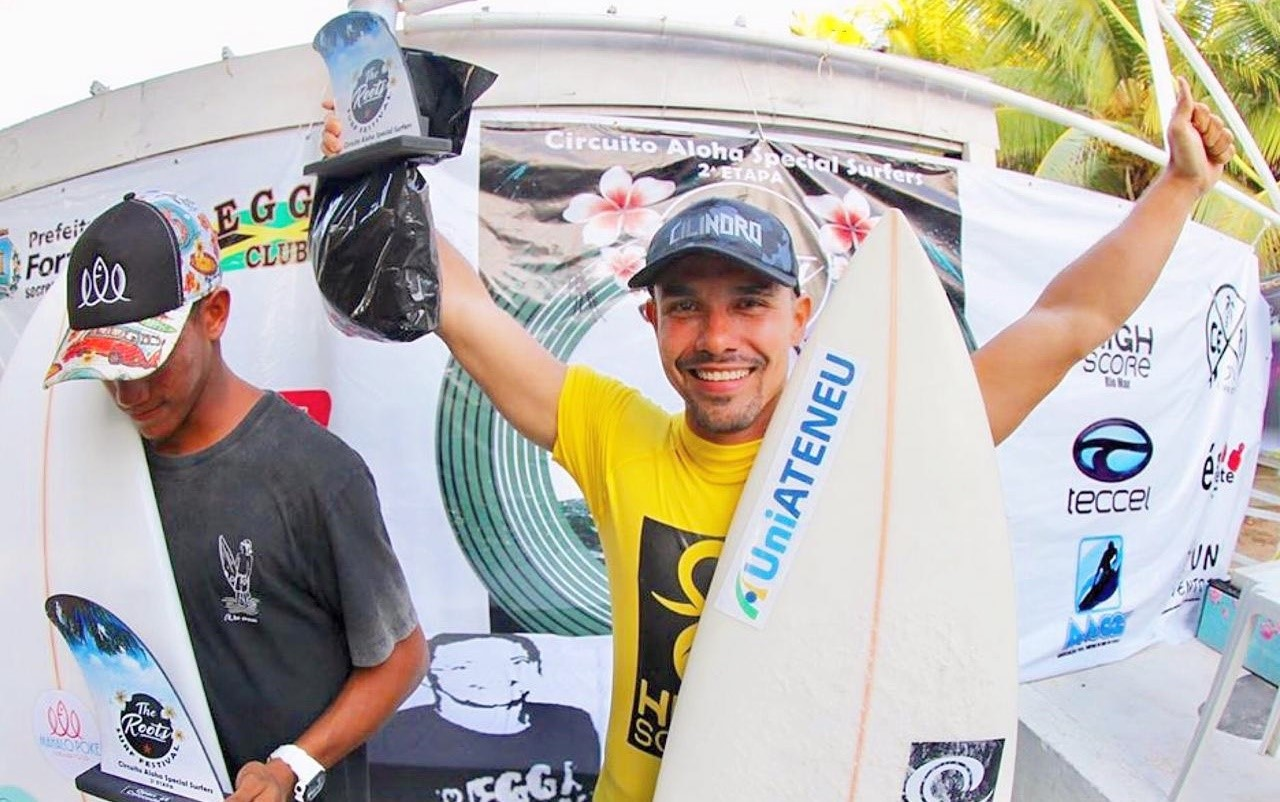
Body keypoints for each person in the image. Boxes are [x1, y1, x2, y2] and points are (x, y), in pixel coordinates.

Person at [322, 77, 1235, 802]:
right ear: (652, 321)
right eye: (686, 308)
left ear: (801, 312)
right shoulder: (610, 432)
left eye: (749, 303)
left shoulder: (883, 450)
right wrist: (374, 178)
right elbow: (468, 308)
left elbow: (1069, 318)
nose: (716, 339)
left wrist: (1180, 184)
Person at [44, 190, 429, 802]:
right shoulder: (94, 460)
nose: (129, 393)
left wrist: (291, 768)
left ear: (215, 313)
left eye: (149, 360)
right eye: (111, 367)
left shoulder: (318, 474)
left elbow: (401, 658)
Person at [369, 633, 599, 801]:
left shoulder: (572, 723)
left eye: (516, 663)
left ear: (537, 668)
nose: (495, 676)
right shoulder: (393, 733)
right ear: (429, 677)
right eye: (464, 667)